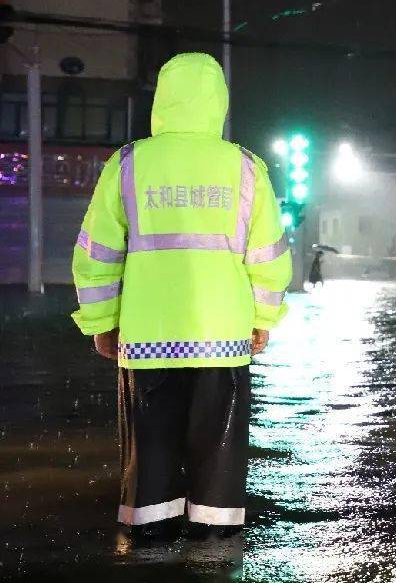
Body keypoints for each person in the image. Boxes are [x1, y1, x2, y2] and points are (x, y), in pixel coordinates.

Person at [71, 53, 292, 540]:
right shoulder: (246, 168)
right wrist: (264, 319)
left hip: (147, 337)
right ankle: (213, 550)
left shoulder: (129, 164)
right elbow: (269, 257)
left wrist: (100, 322)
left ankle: (148, 544)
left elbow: (96, 254)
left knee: (150, 446)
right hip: (222, 338)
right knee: (218, 444)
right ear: (220, 102)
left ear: (161, 100)